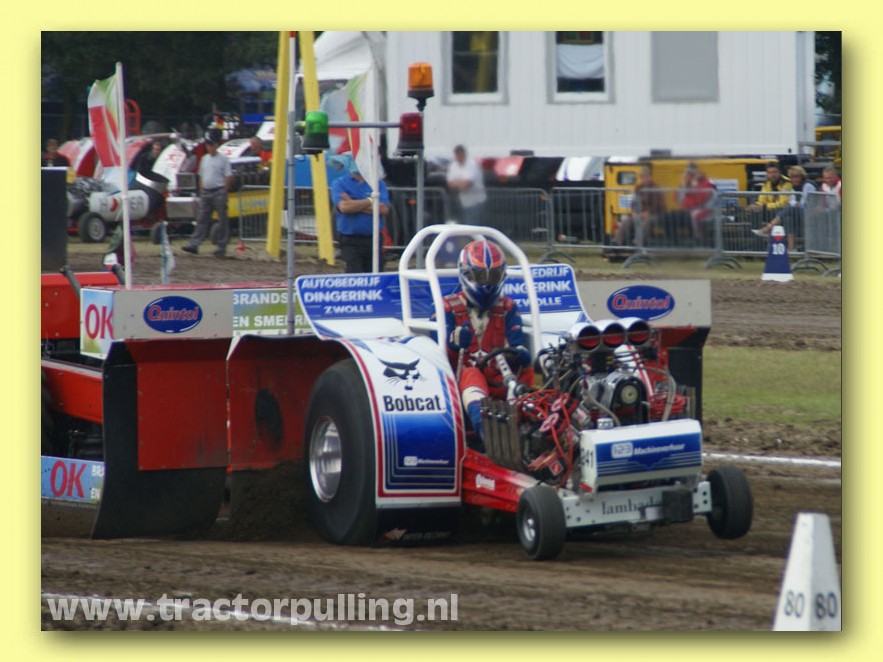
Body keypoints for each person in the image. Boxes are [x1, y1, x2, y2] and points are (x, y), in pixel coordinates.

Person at [438, 239, 533, 450]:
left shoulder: (507, 307)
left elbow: (519, 345)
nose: (488, 284)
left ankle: (534, 428)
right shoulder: (446, 307)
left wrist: (518, 354)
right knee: (472, 374)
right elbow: (438, 358)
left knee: (527, 369)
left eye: (494, 276)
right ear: (467, 274)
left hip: (500, 377)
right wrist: (454, 343)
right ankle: (487, 433)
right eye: (482, 276)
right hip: (460, 382)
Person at [329, 154, 390, 273]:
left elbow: (384, 209)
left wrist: (352, 202)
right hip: (349, 240)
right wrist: (371, 200)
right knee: (354, 274)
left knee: (375, 273)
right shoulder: (339, 183)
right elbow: (344, 208)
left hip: (373, 239)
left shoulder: (378, 183)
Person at [182, 129, 233, 257]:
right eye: (208, 145)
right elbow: (201, 175)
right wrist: (202, 190)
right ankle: (194, 244)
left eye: (211, 145)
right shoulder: (204, 159)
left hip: (218, 190)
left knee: (222, 219)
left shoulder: (223, 159)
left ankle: (222, 246)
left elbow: (228, 176)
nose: (209, 147)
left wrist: (224, 190)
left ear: (216, 145)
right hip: (206, 191)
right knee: (202, 218)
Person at [753, 165, 816, 251]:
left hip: (810, 213)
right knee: (788, 218)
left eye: (797, 177)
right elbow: (792, 201)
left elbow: (804, 203)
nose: (794, 179)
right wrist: (795, 204)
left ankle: (767, 228)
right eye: (792, 177)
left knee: (789, 209)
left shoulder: (808, 185)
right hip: (798, 213)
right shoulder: (793, 187)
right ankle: (791, 249)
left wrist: (796, 204)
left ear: (802, 176)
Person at [613, 166, 666, 246]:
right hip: (640, 213)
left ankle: (637, 243)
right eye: (643, 177)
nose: (645, 179)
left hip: (655, 214)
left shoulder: (655, 188)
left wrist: (647, 213)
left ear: (650, 177)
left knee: (646, 222)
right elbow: (634, 203)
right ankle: (617, 242)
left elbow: (657, 205)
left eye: (646, 176)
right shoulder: (638, 188)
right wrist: (634, 212)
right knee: (626, 222)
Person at [674, 162, 717, 243]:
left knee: (694, 215)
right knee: (673, 216)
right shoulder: (686, 184)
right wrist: (683, 185)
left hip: (707, 210)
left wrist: (694, 186)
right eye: (688, 173)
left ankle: (698, 238)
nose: (689, 176)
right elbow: (678, 199)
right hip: (690, 209)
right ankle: (675, 241)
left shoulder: (706, 182)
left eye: (691, 173)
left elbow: (700, 200)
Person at [446, 144, 487, 224]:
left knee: (471, 225)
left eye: (461, 153)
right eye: (457, 154)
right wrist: (461, 183)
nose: (459, 156)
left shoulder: (472, 164)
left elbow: (468, 183)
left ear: (464, 153)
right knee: (463, 224)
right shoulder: (453, 166)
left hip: (476, 202)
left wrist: (457, 183)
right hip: (463, 202)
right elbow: (449, 184)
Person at [745, 161, 791, 228]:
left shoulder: (787, 183)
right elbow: (761, 200)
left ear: (779, 172)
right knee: (754, 210)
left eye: (775, 172)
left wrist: (765, 206)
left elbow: (783, 203)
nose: (772, 175)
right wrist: (756, 205)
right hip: (769, 210)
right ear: (767, 173)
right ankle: (756, 232)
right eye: (770, 172)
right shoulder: (766, 183)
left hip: (782, 211)